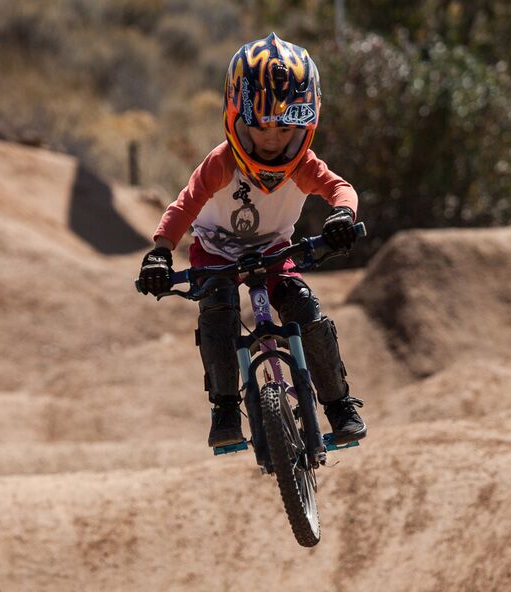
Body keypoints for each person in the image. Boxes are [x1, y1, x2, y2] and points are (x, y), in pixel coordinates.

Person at [137, 32, 367, 448]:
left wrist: (341, 215)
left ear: (307, 125)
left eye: (285, 129)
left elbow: (341, 189)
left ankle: (339, 405)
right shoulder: (221, 163)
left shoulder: (303, 166)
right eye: (259, 128)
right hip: (214, 252)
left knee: (304, 310)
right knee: (217, 319)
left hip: (275, 250)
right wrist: (159, 253)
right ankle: (225, 408)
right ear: (235, 117)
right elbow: (184, 206)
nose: (272, 141)